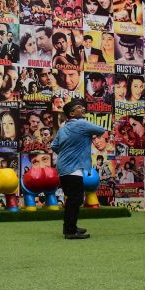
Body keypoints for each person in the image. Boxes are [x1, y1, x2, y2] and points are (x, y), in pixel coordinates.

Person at [51, 99, 105, 239]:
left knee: (72, 200)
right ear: (72, 113)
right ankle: (70, 231)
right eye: (79, 107)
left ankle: (70, 227)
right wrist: (89, 134)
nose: (83, 109)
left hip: (63, 168)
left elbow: (54, 146)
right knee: (75, 200)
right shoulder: (81, 124)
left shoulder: (63, 128)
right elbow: (101, 130)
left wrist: (68, 152)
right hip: (73, 168)